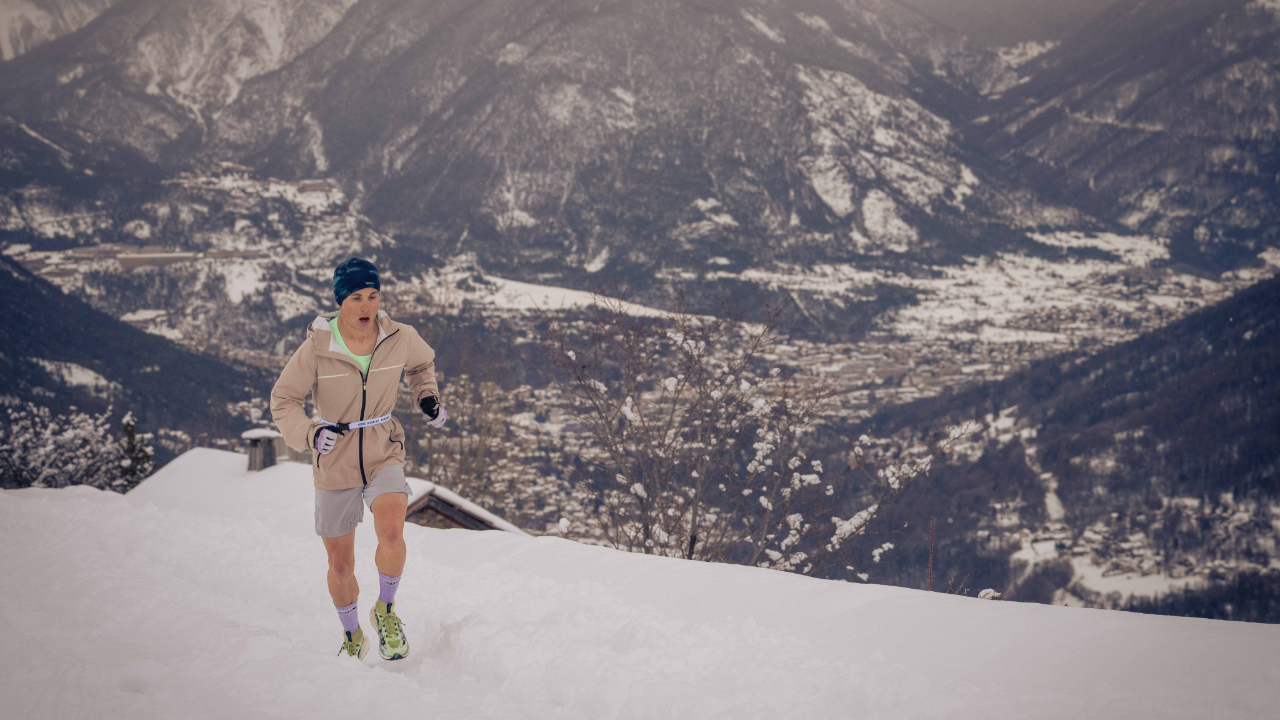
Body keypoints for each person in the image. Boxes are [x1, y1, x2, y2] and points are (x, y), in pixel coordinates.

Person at [270, 257, 448, 660]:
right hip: (335, 459)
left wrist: (426, 396)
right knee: (340, 565)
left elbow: (422, 365)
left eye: (372, 296)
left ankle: (385, 610)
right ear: (340, 301)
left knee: (392, 533)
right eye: (356, 298)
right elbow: (283, 400)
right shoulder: (318, 347)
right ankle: (352, 634)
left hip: (384, 447)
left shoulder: (400, 336)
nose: (366, 306)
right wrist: (311, 434)